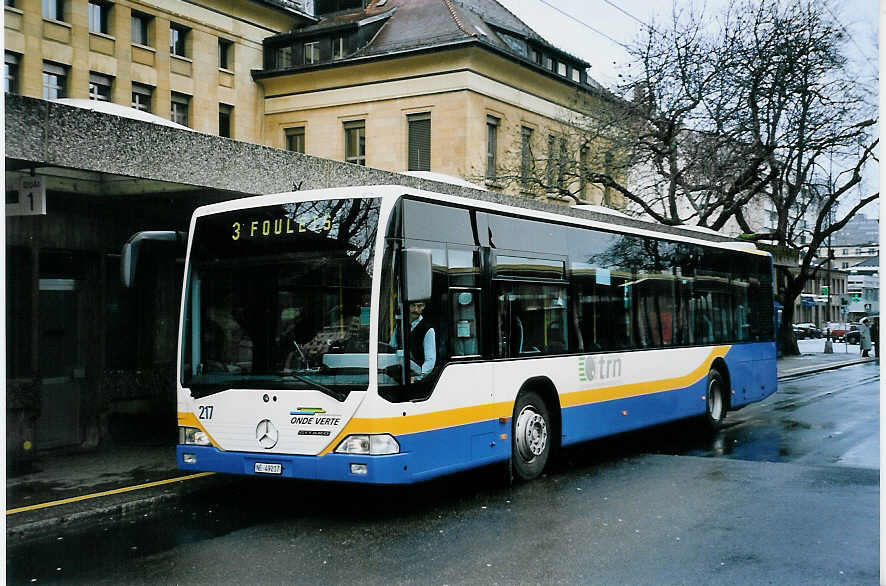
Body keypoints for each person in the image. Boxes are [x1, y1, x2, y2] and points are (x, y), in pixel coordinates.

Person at [390, 301, 436, 381]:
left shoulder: (428, 329)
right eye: (413, 305)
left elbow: (430, 361)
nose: (415, 309)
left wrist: (417, 378)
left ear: (424, 306)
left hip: (416, 380)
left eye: (419, 306)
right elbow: (392, 348)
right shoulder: (399, 326)